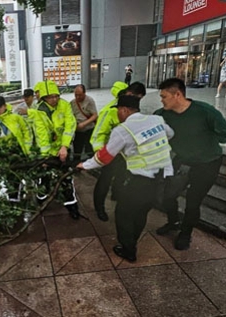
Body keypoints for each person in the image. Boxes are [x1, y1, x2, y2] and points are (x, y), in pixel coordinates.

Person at [77, 95, 174, 262]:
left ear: (124, 110)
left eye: (118, 112)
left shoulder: (124, 129)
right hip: (161, 178)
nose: (118, 115)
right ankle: (133, 241)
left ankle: (128, 250)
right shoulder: (156, 119)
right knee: (141, 212)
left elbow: (105, 156)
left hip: (139, 180)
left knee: (123, 215)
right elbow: (170, 134)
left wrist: (84, 165)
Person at [154, 78, 226, 250]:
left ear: (177, 95)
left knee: (193, 202)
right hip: (182, 160)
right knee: (167, 195)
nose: (161, 100)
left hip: (207, 163)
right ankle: (173, 222)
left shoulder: (205, 112)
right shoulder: (161, 115)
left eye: (164, 96)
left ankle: (185, 234)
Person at [90, 81, 147, 221]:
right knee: (104, 180)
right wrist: (101, 154)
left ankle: (117, 197)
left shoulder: (134, 110)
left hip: (125, 154)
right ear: (129, 93)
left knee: (121, 177)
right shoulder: (110, 111)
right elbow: (98, 135)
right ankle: (99, 208)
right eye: (136, 97)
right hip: (109, 152)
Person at [34, 80, 80, 219]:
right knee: (45, 177)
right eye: (50, 97)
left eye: (56, 96)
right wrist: (45, 156)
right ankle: (41, 199)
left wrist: (64, 146)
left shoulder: (64, 105)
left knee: (66, 178)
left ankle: (72, 205)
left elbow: (70, 125)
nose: (54, 99)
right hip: (48, 150)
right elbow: (41, 135)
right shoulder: (39, 111)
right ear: (43, 98)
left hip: (63, 147)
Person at [0, 96, 32, 201]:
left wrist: (28, 150)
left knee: (24, 176)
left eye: (0, 107)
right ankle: (14, 200)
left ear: (5, 106)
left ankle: (21, 195)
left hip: (19, 152)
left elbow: (27, 132)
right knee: (11, 179)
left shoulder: (16, 118)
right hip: (4, 156)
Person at [70, 84, 98, 160]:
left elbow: (95, 115)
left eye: (80, 95)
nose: (77, 97)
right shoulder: (72, 103)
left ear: (84, 93)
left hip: (88, 128)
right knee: (77, 149)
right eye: (76, 95)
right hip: (78, 130)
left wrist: (84, 124)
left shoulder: (89, 101)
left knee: (89, 149)